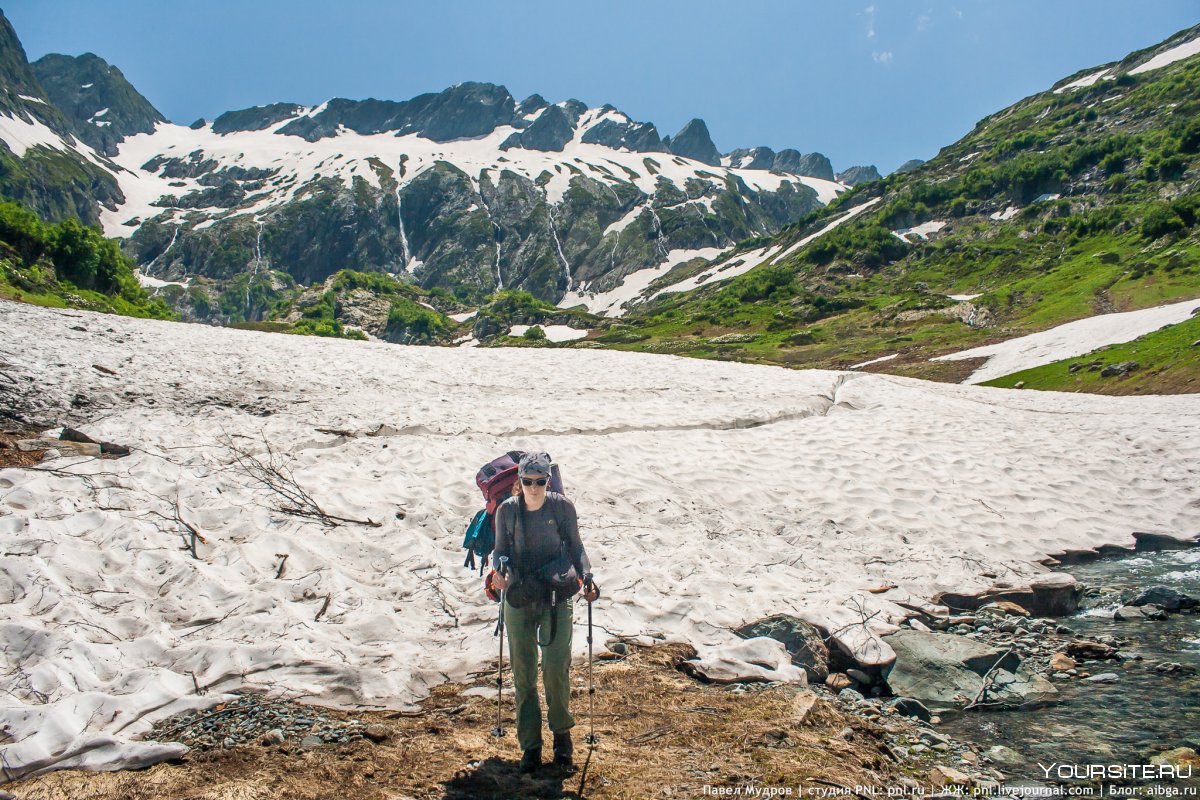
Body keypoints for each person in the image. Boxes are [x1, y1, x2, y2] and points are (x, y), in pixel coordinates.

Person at [491, 451, 599, 773]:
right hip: (519, 597)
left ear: (548, 481)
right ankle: (531, 747)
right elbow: (500, 552)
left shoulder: (562, 507)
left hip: (556, 596)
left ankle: (562, 739)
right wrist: (499, 573)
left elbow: (577, 547)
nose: (534, 487)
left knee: (555, 669)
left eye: (539, 481)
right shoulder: (507, 511)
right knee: (523, 674)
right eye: (527, 481)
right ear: (519, 482)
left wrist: (588, 576)